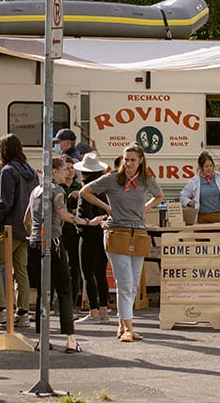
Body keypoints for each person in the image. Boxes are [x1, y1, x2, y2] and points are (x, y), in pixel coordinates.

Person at [80, 143, 164, 342]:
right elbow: (85, 191)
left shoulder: (146, 180)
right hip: (117, 231)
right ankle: (128, 328)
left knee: (133, 284)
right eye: (126, 159)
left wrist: (146, 208)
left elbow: (159, 195)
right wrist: (107, 208)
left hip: (138, 231)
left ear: (141, 160)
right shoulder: (112, 179)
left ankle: (122, 325)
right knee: (125, 283)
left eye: (132, 160)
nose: (128, 163)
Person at [26, 157, 85, 353]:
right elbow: (64, 215)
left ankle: (43, 339)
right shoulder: (57, 190)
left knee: (44, 291)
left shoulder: (35, 191)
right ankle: (70, 339)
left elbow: (26, 219)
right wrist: (86, 221)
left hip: (35, 242)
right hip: (53, 242)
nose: (66, 173)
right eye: (63, 170)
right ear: (54, 171)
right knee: (65, 290)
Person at [0, 134, 38, 327]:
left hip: (6, 227)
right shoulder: (31, 172)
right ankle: (22, 312)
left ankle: (0, 309)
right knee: (20, 270)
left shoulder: (7, 171)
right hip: (25, 228)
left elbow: (5, 202)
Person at [74, 153, 111, 324]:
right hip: (103, 235)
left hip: (88, 235)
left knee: (88, 274)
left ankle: (93, 311)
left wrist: (81, 224)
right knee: (101, 274)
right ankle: (104, 310)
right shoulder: (105, 189)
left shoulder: (85, 191)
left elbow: (82, 217)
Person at [179, 151, 220, 224]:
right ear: (201, 167)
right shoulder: (194, 181)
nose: (209, 169)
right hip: (202, 218)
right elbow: (182, 197)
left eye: (211, 166)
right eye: (206, 166)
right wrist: (189, 202)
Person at [59, 154, 83, 308]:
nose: (69, 171)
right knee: (60, 265)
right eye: (66, 168)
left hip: (75, 230)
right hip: (60, 230)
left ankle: (74, 298)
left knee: (75, 265)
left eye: (72, 168)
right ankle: (59, 298)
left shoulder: (80, 188)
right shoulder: (57, 187)